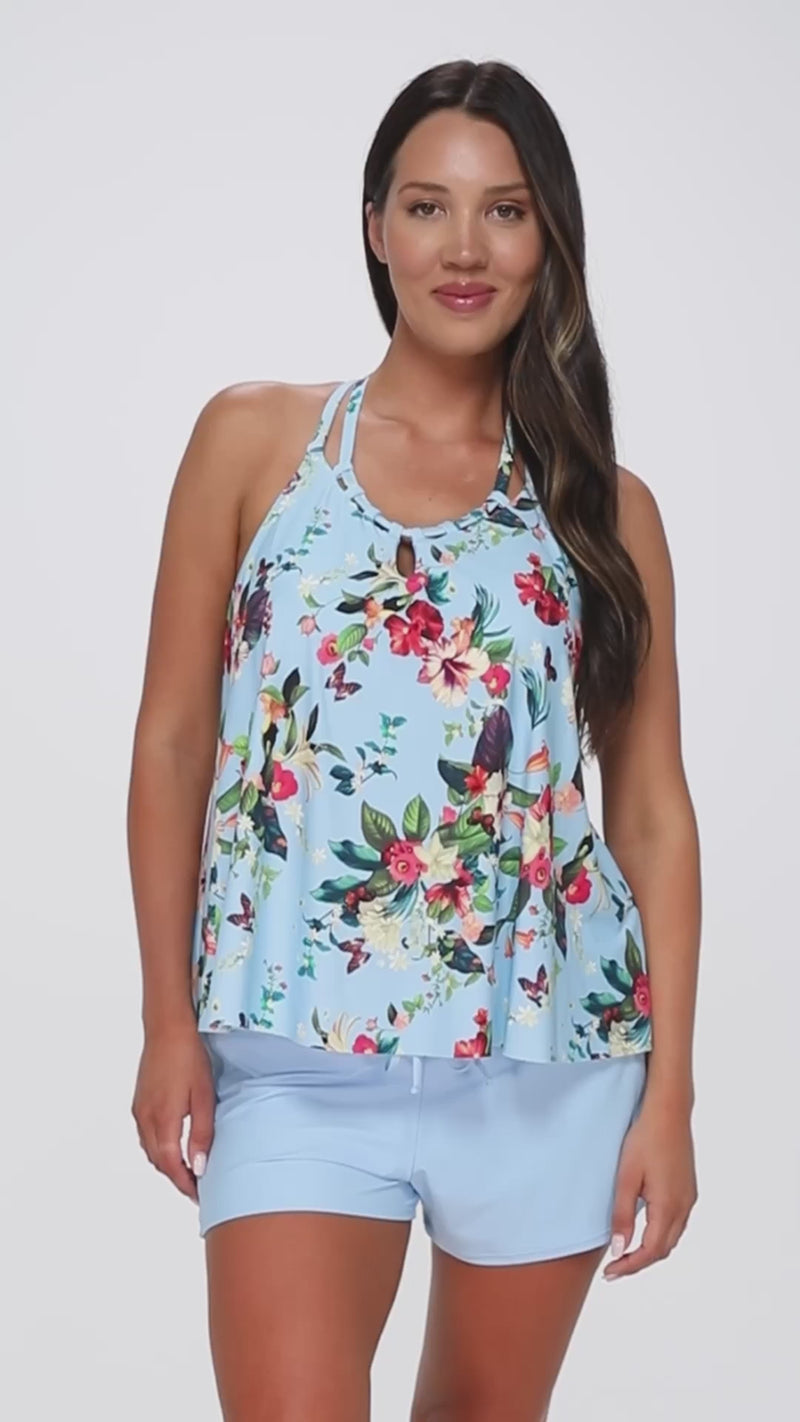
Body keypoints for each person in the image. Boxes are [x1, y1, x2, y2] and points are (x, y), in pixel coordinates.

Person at [128, 57, 700, 1422]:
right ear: (376, 226)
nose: (464, 247)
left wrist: (671, 1098)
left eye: (505, 211)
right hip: (293, 1062)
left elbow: (651, 811)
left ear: (548, 237)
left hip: (550, 1065)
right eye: (428, 206)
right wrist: (164, 1021)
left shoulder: (604, 509)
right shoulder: (256, 443)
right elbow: (173, 744)